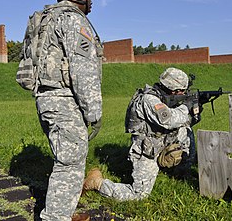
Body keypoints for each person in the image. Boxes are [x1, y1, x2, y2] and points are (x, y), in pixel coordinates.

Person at [33, 0, 103, 220]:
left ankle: (61, 211)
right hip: (64, 101)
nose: (92, 2)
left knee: (64, 159)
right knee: (70, 164)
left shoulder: (46, 20)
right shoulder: (74, 21)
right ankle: (56, 217)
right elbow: (83, 71)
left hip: (45, 99)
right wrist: (94, 112)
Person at [83, 67, 196, 201]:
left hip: (163, 139)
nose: (182, 94)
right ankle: (97, 182)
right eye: (181, 92)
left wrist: (193, 115)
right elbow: (168, 120)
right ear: (172, 89)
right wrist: (186, 107)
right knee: (139, 195)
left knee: (186, 130)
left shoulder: (166, 97)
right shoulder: (148, 100)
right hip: (147, 148)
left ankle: (182, 171)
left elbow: (180, 121)